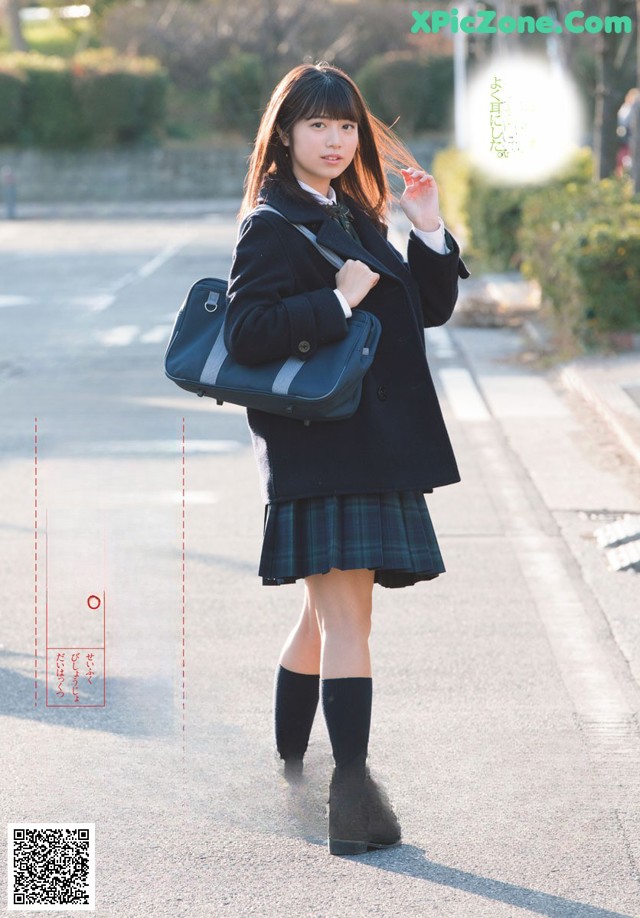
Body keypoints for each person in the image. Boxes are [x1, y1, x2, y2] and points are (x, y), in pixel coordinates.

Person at [224, 61, 470, 856]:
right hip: (322, 447)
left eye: (346, 126)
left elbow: (425, 309)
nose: (335, 140)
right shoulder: (270, 224)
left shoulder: (359, 213)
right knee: (346, 619)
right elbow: (248, 332)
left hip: (370, 445)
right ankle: (353, 795)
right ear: (284, 135)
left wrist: (427, 226)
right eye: (318, 126)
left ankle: (294, 758)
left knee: (325, 616)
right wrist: (336, 301)